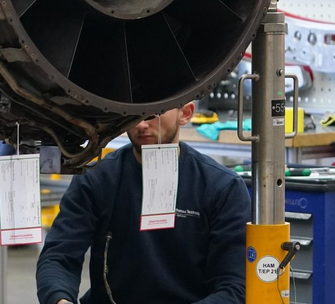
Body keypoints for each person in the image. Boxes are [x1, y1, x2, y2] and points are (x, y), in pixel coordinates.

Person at [36, 102, 250, 304]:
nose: (141, 124)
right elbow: (58, 256)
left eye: (154, 113)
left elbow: (234, 285)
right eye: (134, 114)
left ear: (185, 113)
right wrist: (60, 299)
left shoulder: (221, 187)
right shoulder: (97, 179)